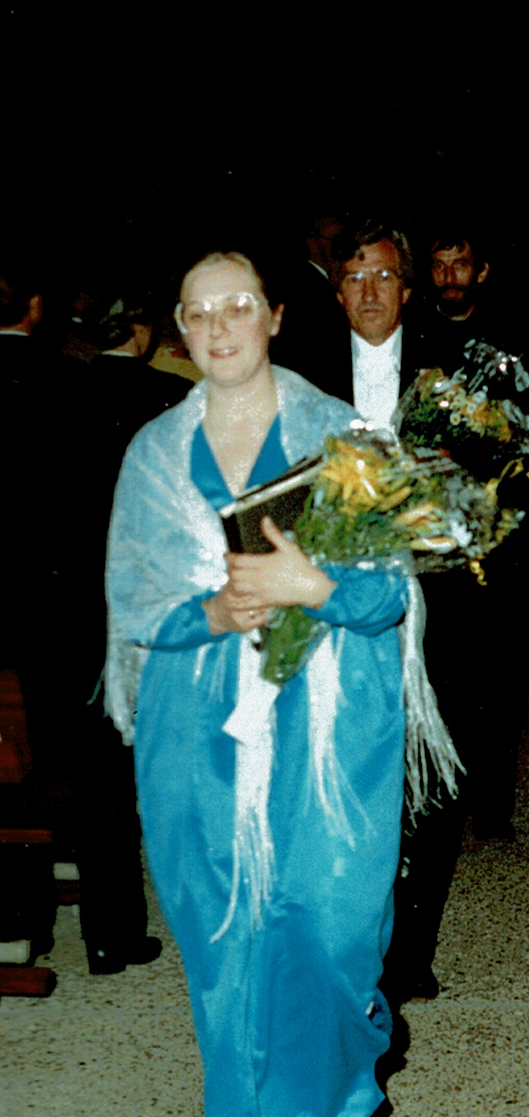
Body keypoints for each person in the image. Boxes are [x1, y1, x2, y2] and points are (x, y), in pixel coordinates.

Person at [105, 250, 409, 1116]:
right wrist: (211, 610)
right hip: (199, 732)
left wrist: (312, 586)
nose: (217, 327)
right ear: (179, 328)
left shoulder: (345, 437)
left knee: (327, 929)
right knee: (226, 935)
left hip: (327, 729)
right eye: (197, 312)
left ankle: (337, 1100)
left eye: (236, 306)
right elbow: (133, 600)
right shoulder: (153, 454)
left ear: (274, 316)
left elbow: (389, 592)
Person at [328, 219, 422, 414]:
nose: (369, 295)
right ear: (340, 294)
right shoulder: (308, 371)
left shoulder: (447, 364)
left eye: (383, 277)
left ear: (405, 290)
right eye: (355, 279)